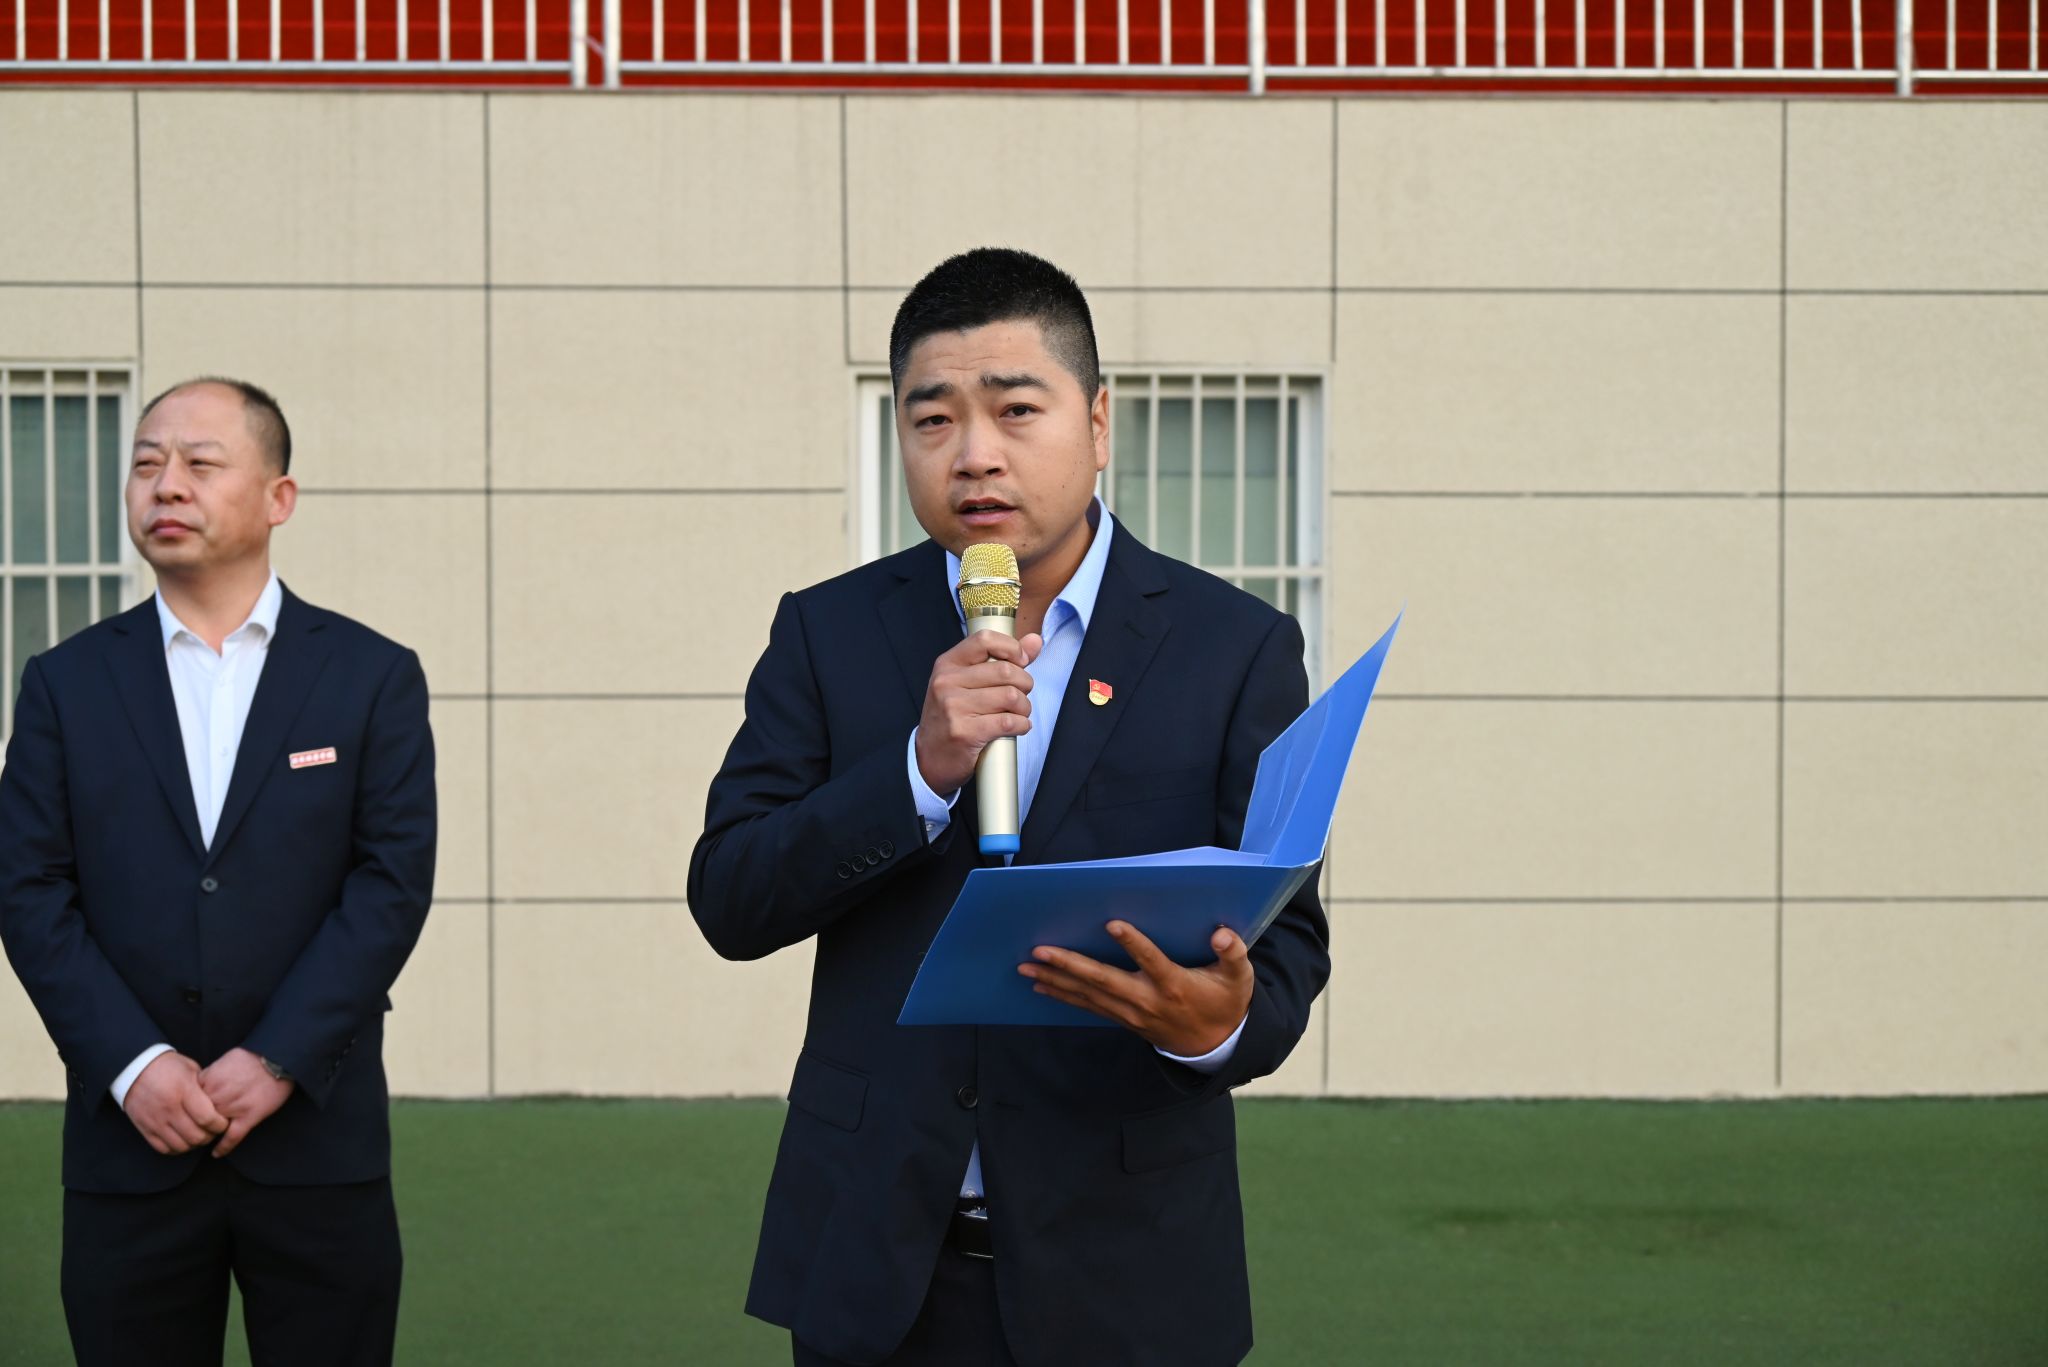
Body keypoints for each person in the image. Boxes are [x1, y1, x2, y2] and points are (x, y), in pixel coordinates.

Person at [689, 249, 1329, 1367]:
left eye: (1015, 409)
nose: (973, 453)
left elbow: (1286, 948)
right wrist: (915, 771)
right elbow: (731, 895)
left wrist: (1214, 1023)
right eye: (931, 419)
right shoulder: (828, 632)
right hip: (875, 1261)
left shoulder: (1235, 649)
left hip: (1126, 1268)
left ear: (1098, 422)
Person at [0, 377, 437, 1367]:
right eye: (146, 463)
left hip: (317, 1146)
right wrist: (133, 1064)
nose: (166, 484)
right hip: (127, 1150)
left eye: (200, 463)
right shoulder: (65, 683)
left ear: (279, 497)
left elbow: (389, 884)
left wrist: (278, 1056)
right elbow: (30, 889)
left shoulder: (369, 675)